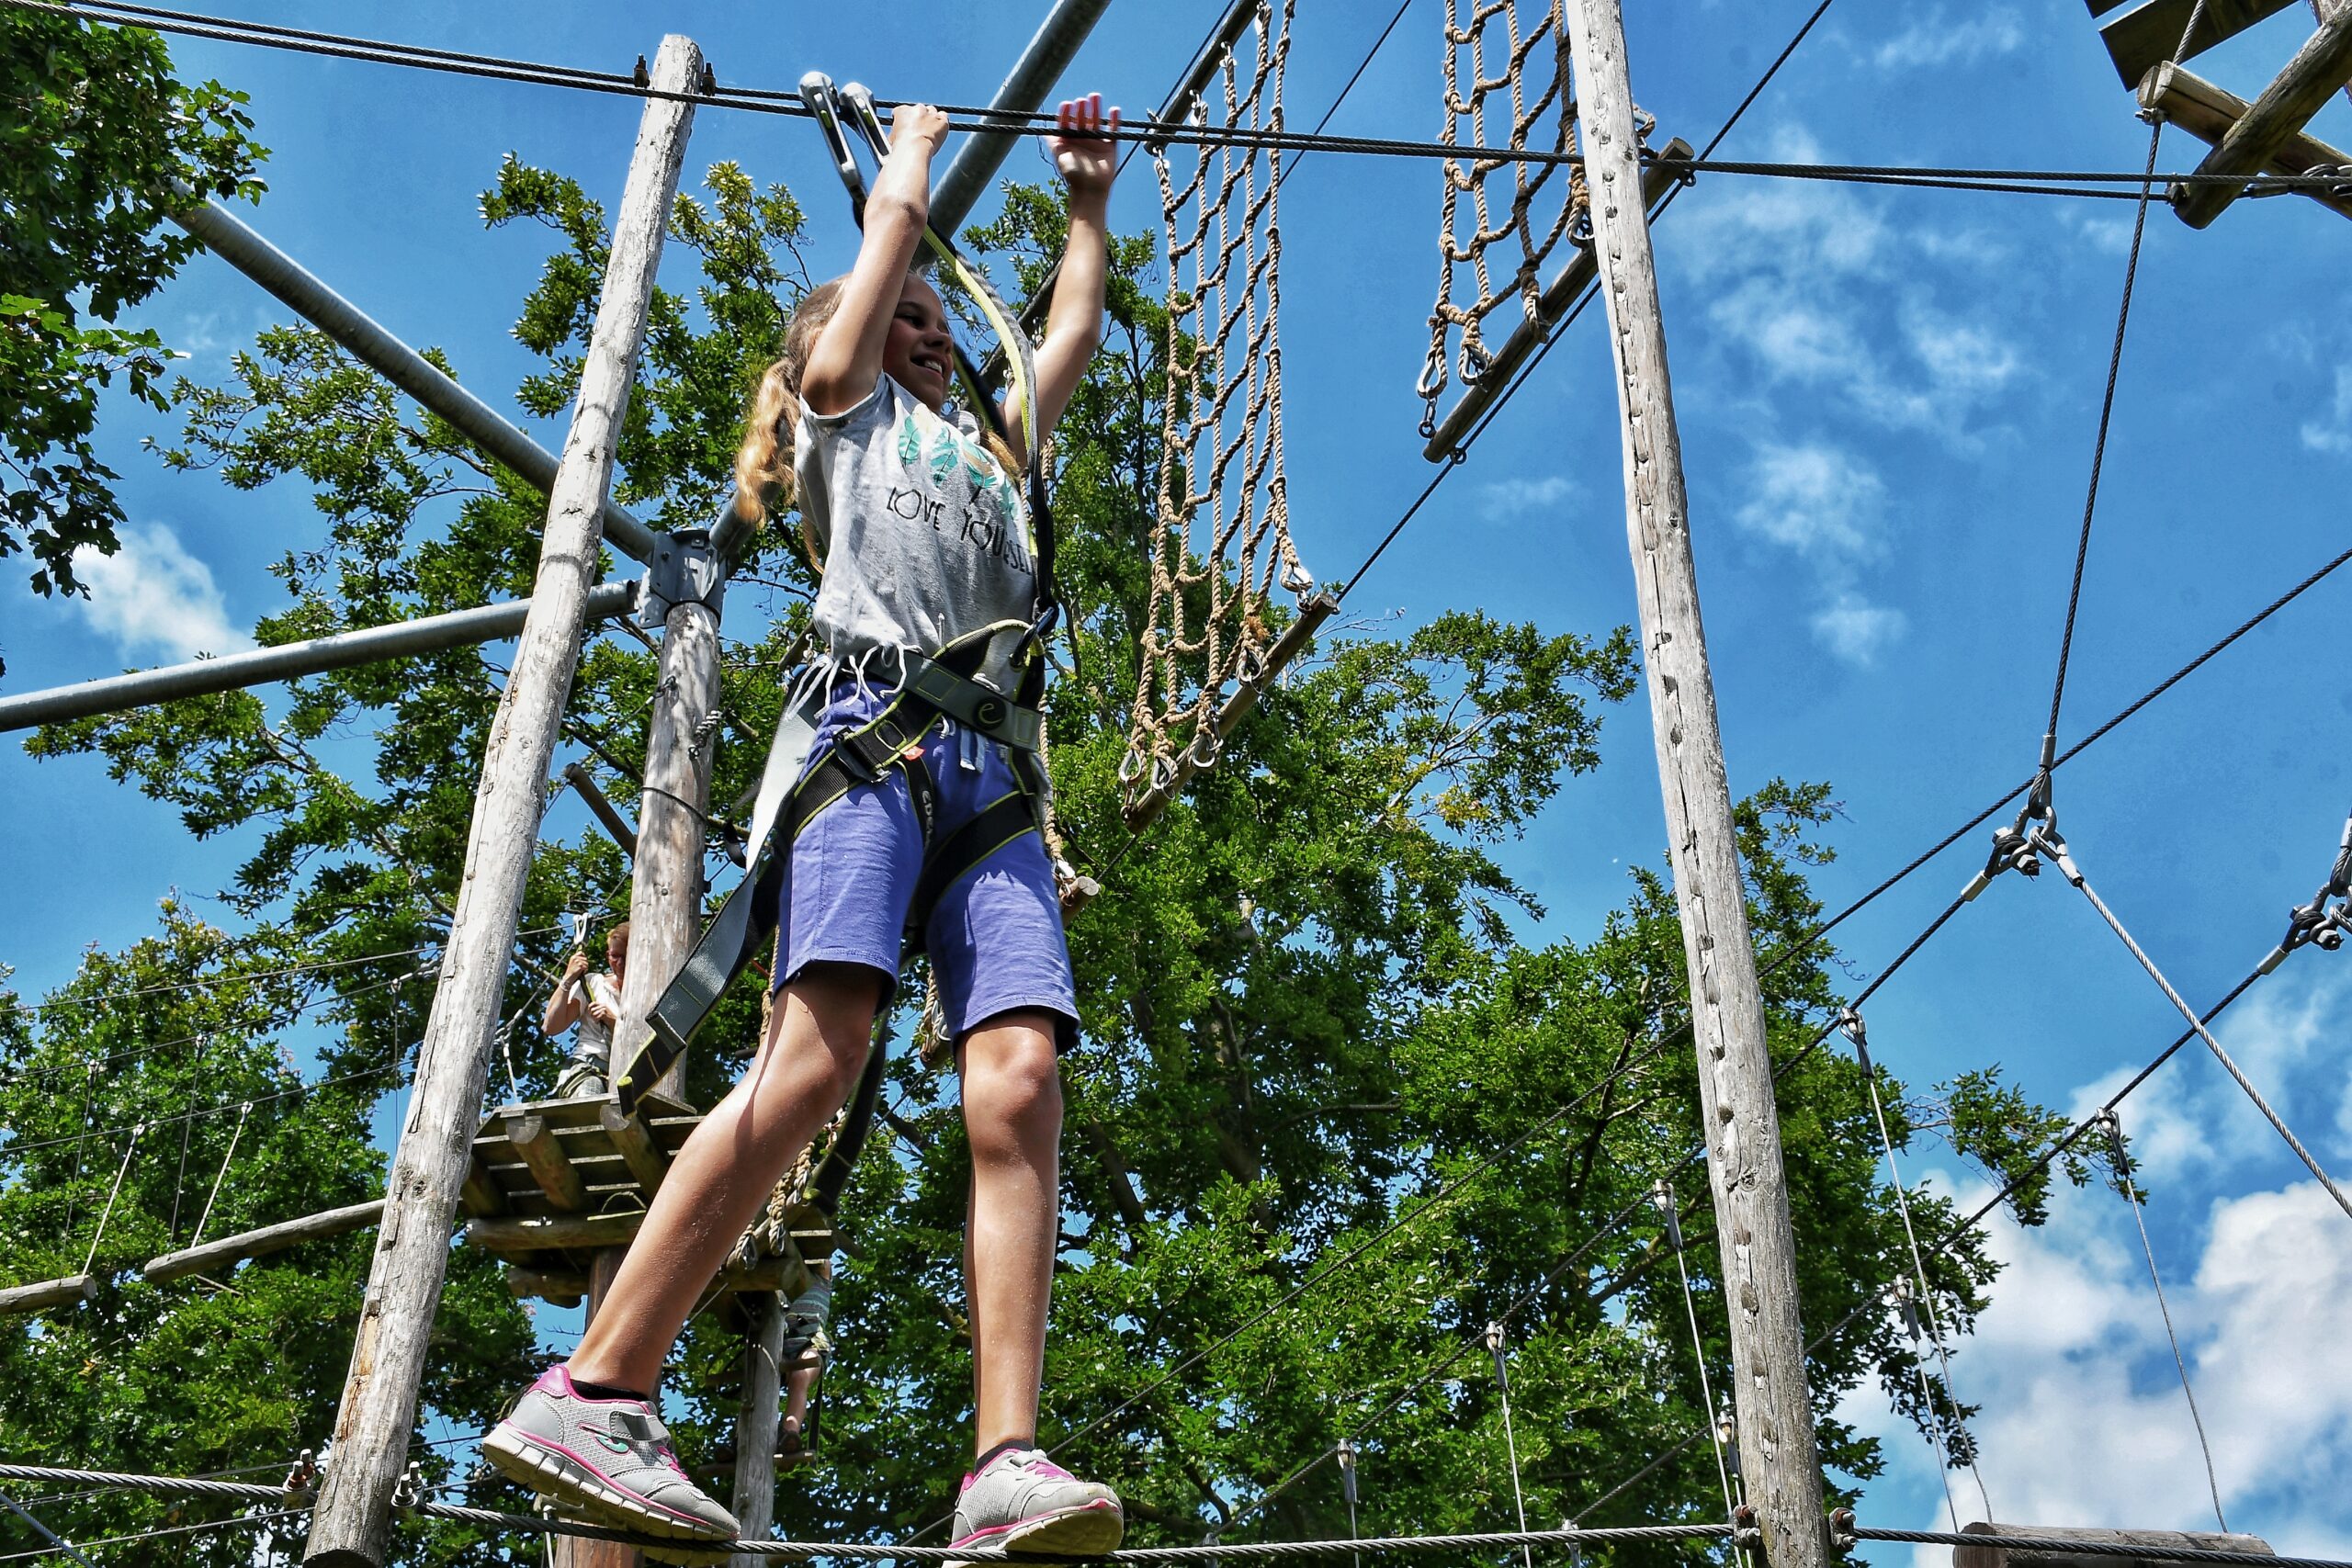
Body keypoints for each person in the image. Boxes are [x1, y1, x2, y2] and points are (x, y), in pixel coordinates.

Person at [485, 94, 1124, 1559]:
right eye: (901, 313)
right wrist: (900, 171)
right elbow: (871, 280)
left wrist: (1085, 205)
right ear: (837, 350)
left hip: (995, 780)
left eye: (934, 320)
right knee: (818, 1054)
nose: (929, 331)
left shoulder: (993, 453)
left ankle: (1004, 1459)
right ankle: (599, 1383)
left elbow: (1064, 338)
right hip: (868, 744)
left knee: (1021, 1084)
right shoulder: (853, 419)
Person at [542, 922, 629, 1099]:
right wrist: (568, 979)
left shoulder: (647, 993)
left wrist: (613, 1021)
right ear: (607, 955)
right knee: (591, 1091)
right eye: (615, 956)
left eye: (626, 957)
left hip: (623, 1076)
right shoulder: (593, 984)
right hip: (587, 1070)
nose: (619, 963)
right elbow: (551, 1027)